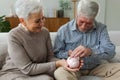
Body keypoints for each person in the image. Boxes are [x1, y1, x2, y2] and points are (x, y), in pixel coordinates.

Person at [0, 0, 83, 80]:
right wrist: (57, 64)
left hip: (37, 73)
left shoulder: (44, 32)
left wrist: (67, 61)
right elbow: (27, 69)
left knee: (48, 78)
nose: (42, 23)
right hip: (15, 73)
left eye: (43, 18)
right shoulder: (14, 35)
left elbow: (50, 58)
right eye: (37, 21)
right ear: (22, 21)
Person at [54, 0, 116, 80]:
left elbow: (111, 51)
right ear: (77, 15)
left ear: (94, 18)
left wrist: (91, 51)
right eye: (81, 21)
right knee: (59, 73)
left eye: (89, 23)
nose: (83, 26)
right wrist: (68, 54)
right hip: (73, 68)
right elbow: (56, 53)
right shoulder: (64, 30)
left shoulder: (101, 28)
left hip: (96, 66)